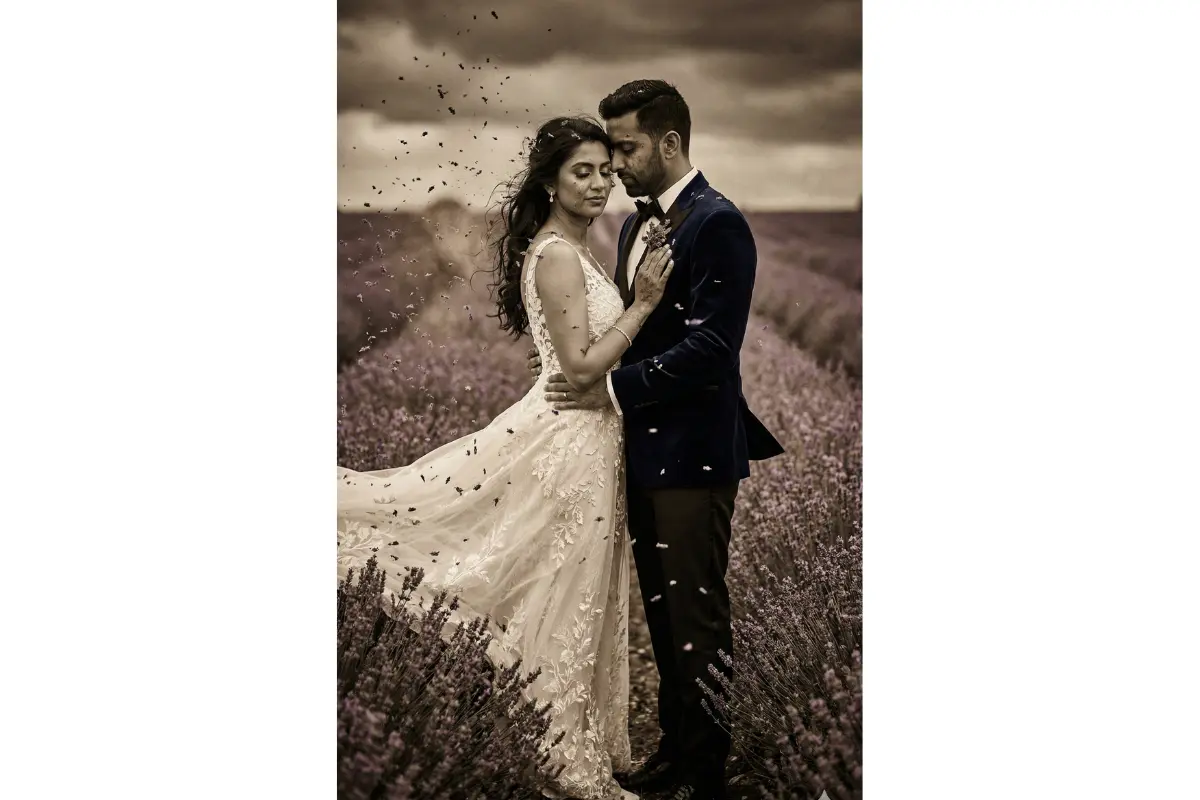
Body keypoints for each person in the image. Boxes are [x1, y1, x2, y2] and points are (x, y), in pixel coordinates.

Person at [337, 115, 674, 800]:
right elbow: (580, 369)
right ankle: (558, 752)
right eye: (582, 170)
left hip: (586, 438)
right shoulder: (555, 255)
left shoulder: (570, 250)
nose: (599, 181)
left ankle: (562, 739)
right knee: (558, 587)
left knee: (566, 589)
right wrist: (641, 306)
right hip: (571, 443)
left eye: (606, 169)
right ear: (550, 181)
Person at [529, 80, 785, 800]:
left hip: (696, 456)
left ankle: (705, 775)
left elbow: (712, 350)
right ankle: (677, 752)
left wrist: (607, 390)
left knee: (697, 615)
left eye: (627, 147)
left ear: (669, 143)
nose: (615, 163)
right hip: (641, 453)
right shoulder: (640, 224)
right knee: (665, 615)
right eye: (608, 148)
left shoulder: (717, 224)